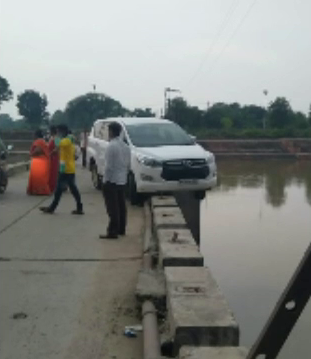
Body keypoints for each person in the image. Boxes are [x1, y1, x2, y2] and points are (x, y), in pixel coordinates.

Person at [40, 124, 84, 214]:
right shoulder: (67, 139)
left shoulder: (68, 140)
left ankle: (52, 208)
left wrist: (54, 136)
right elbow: (58, 148)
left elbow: (58, 143)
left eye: (58, 131)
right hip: (66, 168)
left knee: (60, 189)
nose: (58, 133)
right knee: (71, 189)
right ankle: (79, 207)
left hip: (67, 169)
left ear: (62, 131)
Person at [100, 122, 131, 239]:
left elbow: (108, 166)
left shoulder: (111, 146)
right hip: (122, 179)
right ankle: (121, 229)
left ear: (111, 132)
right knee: (121, 205)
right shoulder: (125, 146)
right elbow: (128, 164)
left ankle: (112, 231)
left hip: (112, 179)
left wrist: (105, 180)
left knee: (112, 207)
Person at [27, 130, 51, 195]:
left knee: (38, 177)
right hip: (42, 160)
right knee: (40, 177)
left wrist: (31, 154)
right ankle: (38, 190)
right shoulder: (42, 141)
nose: (33, 136)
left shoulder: (39, 141)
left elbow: (38, 150)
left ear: (36, 135)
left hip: (40, 161)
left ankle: (39, 191)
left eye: (33, 134)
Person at [48, 126, 59, 192]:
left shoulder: (57, 138)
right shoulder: (51, 138)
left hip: (54, 157)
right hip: (51, 157)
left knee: (54, 172)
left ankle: (54, 187)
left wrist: (50, 153)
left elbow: (57, 148)